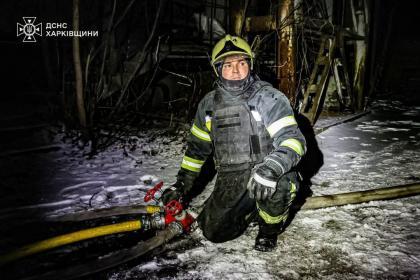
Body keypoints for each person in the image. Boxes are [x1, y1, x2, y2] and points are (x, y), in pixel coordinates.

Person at [162, 35, 306, 252]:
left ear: (250, 64)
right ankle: (253, 209)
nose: (236, 70)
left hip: (266, 172)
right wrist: (182, 184)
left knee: (282, 185)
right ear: (217, 69)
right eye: (228, 65)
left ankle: (269, 229)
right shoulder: (208, 105)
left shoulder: (269, 97)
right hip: (231, 176)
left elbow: (293, 140)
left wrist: (272, 168)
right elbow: (196, 151)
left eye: (242, 63)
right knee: (214, 233)